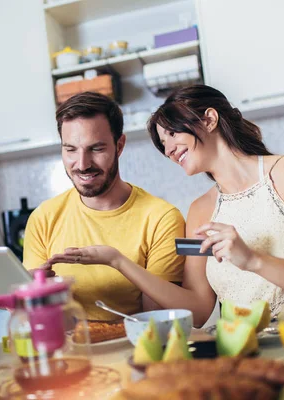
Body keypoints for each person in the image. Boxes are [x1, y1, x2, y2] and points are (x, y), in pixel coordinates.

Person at [50, 85, 284, 326]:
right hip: (252, 362)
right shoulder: (201, 211)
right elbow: (198, 309)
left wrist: (252, 260)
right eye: (162, 145)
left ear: (208, 119)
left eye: (172, 135)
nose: (169, 150)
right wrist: (119, 262)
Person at [23, 91, 185, 321]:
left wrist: (118, 262)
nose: (82, 164)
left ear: (119, 146)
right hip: (67, 353)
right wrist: (30, 296)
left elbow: (155, 322)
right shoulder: (43, 218)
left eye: (96, 149)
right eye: (70, 149)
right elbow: (39, 319)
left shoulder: (161, 219)